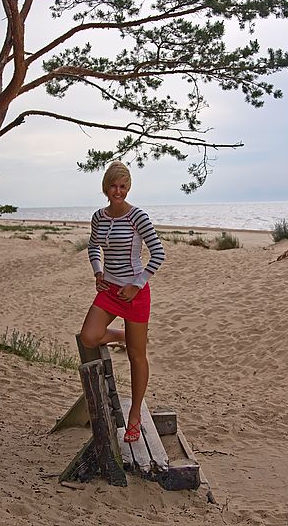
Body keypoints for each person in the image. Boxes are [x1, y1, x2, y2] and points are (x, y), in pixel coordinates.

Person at [80, 161, 165, 443]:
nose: (118, 191)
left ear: (128, 188)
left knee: (136, 356)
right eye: (114, 186)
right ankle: (123, 335)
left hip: (135, 293)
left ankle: (135, 415)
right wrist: (97, 271)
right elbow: (93, 245)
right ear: (106, 187)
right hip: (109, 290)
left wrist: (136, 285)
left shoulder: (137, 216)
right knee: (89, 337)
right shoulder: (99, 217)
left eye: (123, 186)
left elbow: (158, 253)